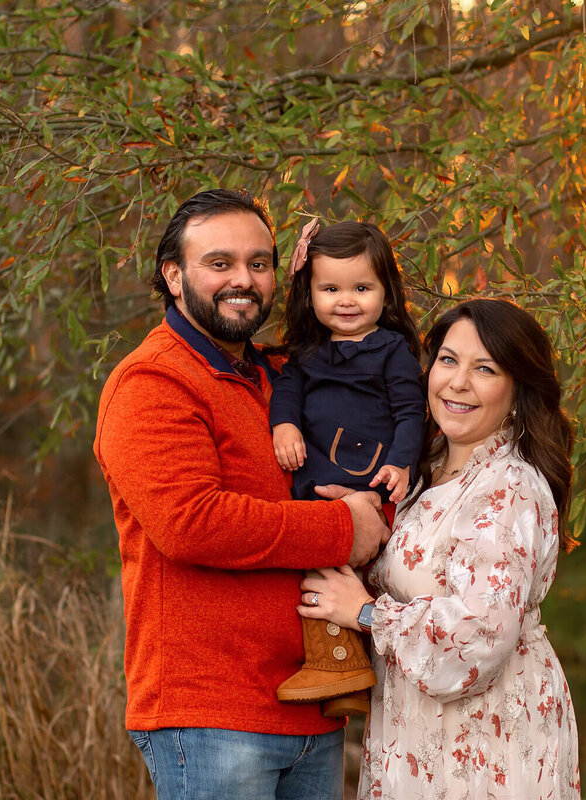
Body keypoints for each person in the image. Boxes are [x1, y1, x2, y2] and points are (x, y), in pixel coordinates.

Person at [93, 189, 390, 800]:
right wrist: (342, 528)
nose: (243, 280)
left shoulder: (282, 375)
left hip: (316, 697)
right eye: (220, 263)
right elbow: (191, 523)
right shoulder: (152, 384)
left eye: (260, 264)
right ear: (173, 276)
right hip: (213, 716)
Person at [298, 298, 582, 799]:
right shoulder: (423, 470)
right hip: (417, 731)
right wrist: (357, 519)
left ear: (517, 388)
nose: (457, 382)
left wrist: (366, 614)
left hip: (485, 733)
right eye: (448, 360)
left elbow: (475, 639)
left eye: (485, 369)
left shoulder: (507, 487)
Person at [268, 220, 426, 717]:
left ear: (385, 292)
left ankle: (342, 668)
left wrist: (401, 463)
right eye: (330, 288)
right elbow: (288, 393)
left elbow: (409, 413)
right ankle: (339, 670)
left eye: (362, 287)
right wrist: (284, 427)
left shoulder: (392, 351)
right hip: (316, 472)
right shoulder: (308, 352)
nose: (346, 300)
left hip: (368, 475)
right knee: (319, 568)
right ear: (309, 292)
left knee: (340, 566)